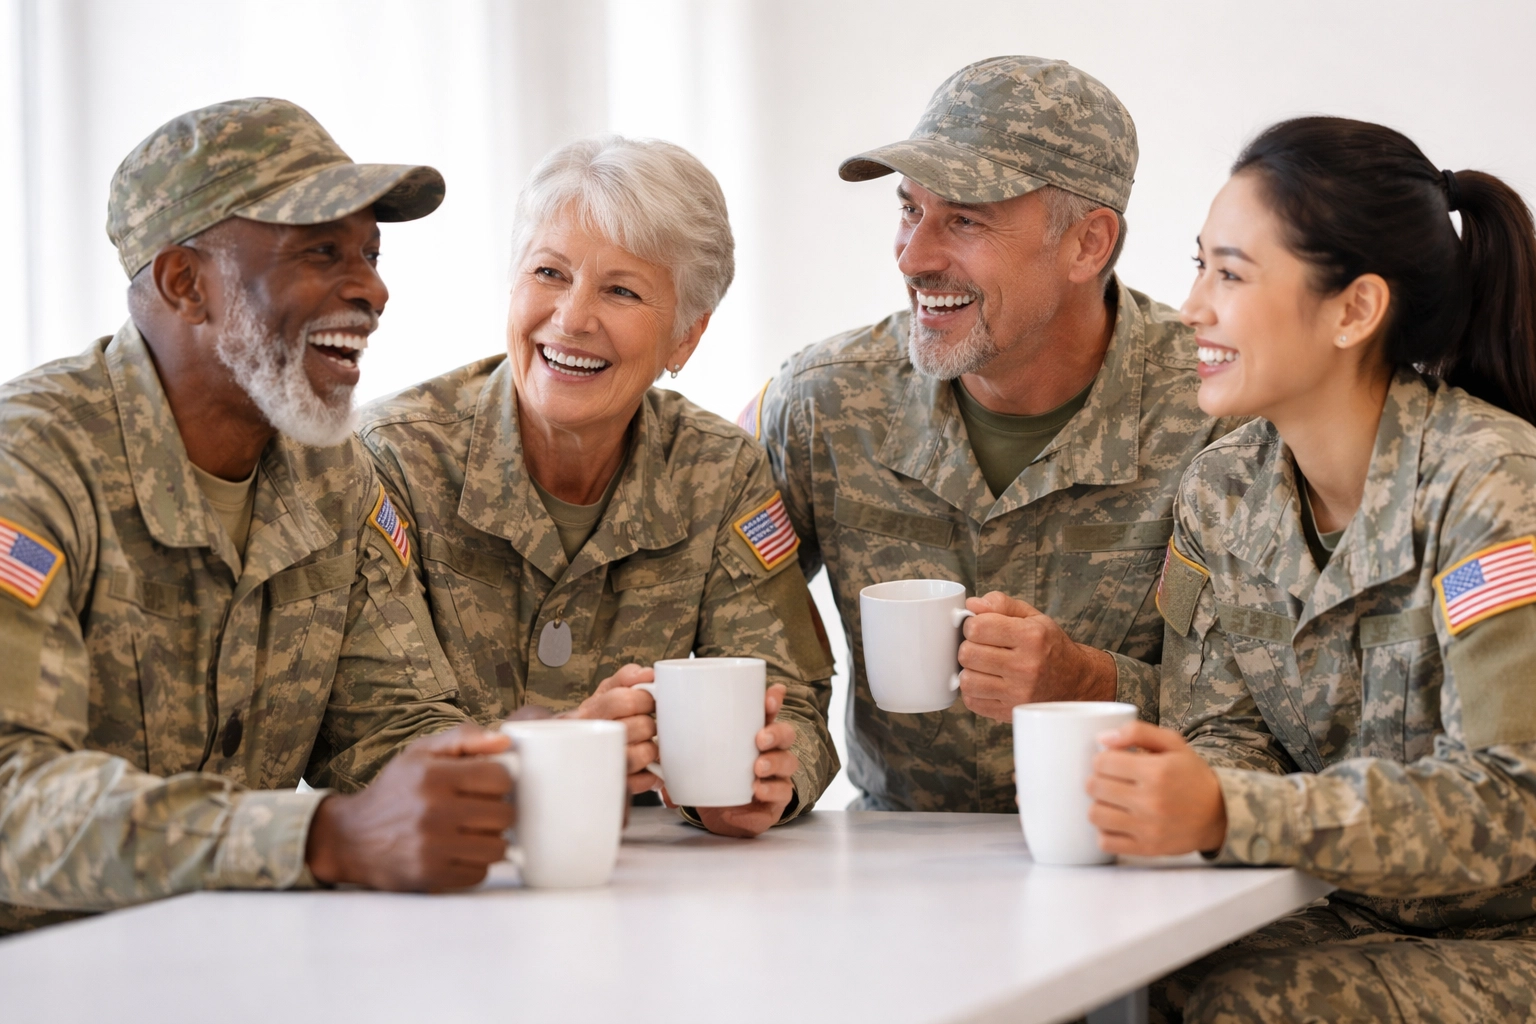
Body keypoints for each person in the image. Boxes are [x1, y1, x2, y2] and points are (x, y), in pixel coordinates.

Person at [0, 98, 517, 934]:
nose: (373, 289)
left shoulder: (330, 471)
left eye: (371, 253)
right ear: (184, 283)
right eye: (321, 251)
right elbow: (9, 798)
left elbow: (389, 726)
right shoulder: (30, 463)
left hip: (230, 967)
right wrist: (318, 837)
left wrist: (509, 759)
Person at [1087, 116, 1536, 1022]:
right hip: (1332, 909)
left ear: (1355, 310)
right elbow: (1227, 737)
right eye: (1198, 265)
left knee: (1240, 1008)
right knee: (1111, 989)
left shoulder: (1492, 485)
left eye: (1231, 273)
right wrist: (1173, 794)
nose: (1192, 308)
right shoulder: (1221, 488)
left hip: (1508, 938)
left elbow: (1508, 803)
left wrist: (1231, 814)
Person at [747, 56, 1243, 812]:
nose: (914, 258)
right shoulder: (823, 402)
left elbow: (1276, 704)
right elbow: (740, 643)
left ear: (1088, 244)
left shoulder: (1221, 414)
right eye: (910, 210)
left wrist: (1088, 683)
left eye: (966, 220)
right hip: (894, 875)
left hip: (1140, 871)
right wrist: (776, 778)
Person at [359, 136, 838, 839]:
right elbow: (370, 733)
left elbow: (789, 694)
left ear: (685, 337)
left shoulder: (718, 471)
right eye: (549, 273)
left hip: (652, 892)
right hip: (444, 879)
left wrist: (766, 780)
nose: (573, 318)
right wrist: (563, 759)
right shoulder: (392, 459)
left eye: (621, 290)